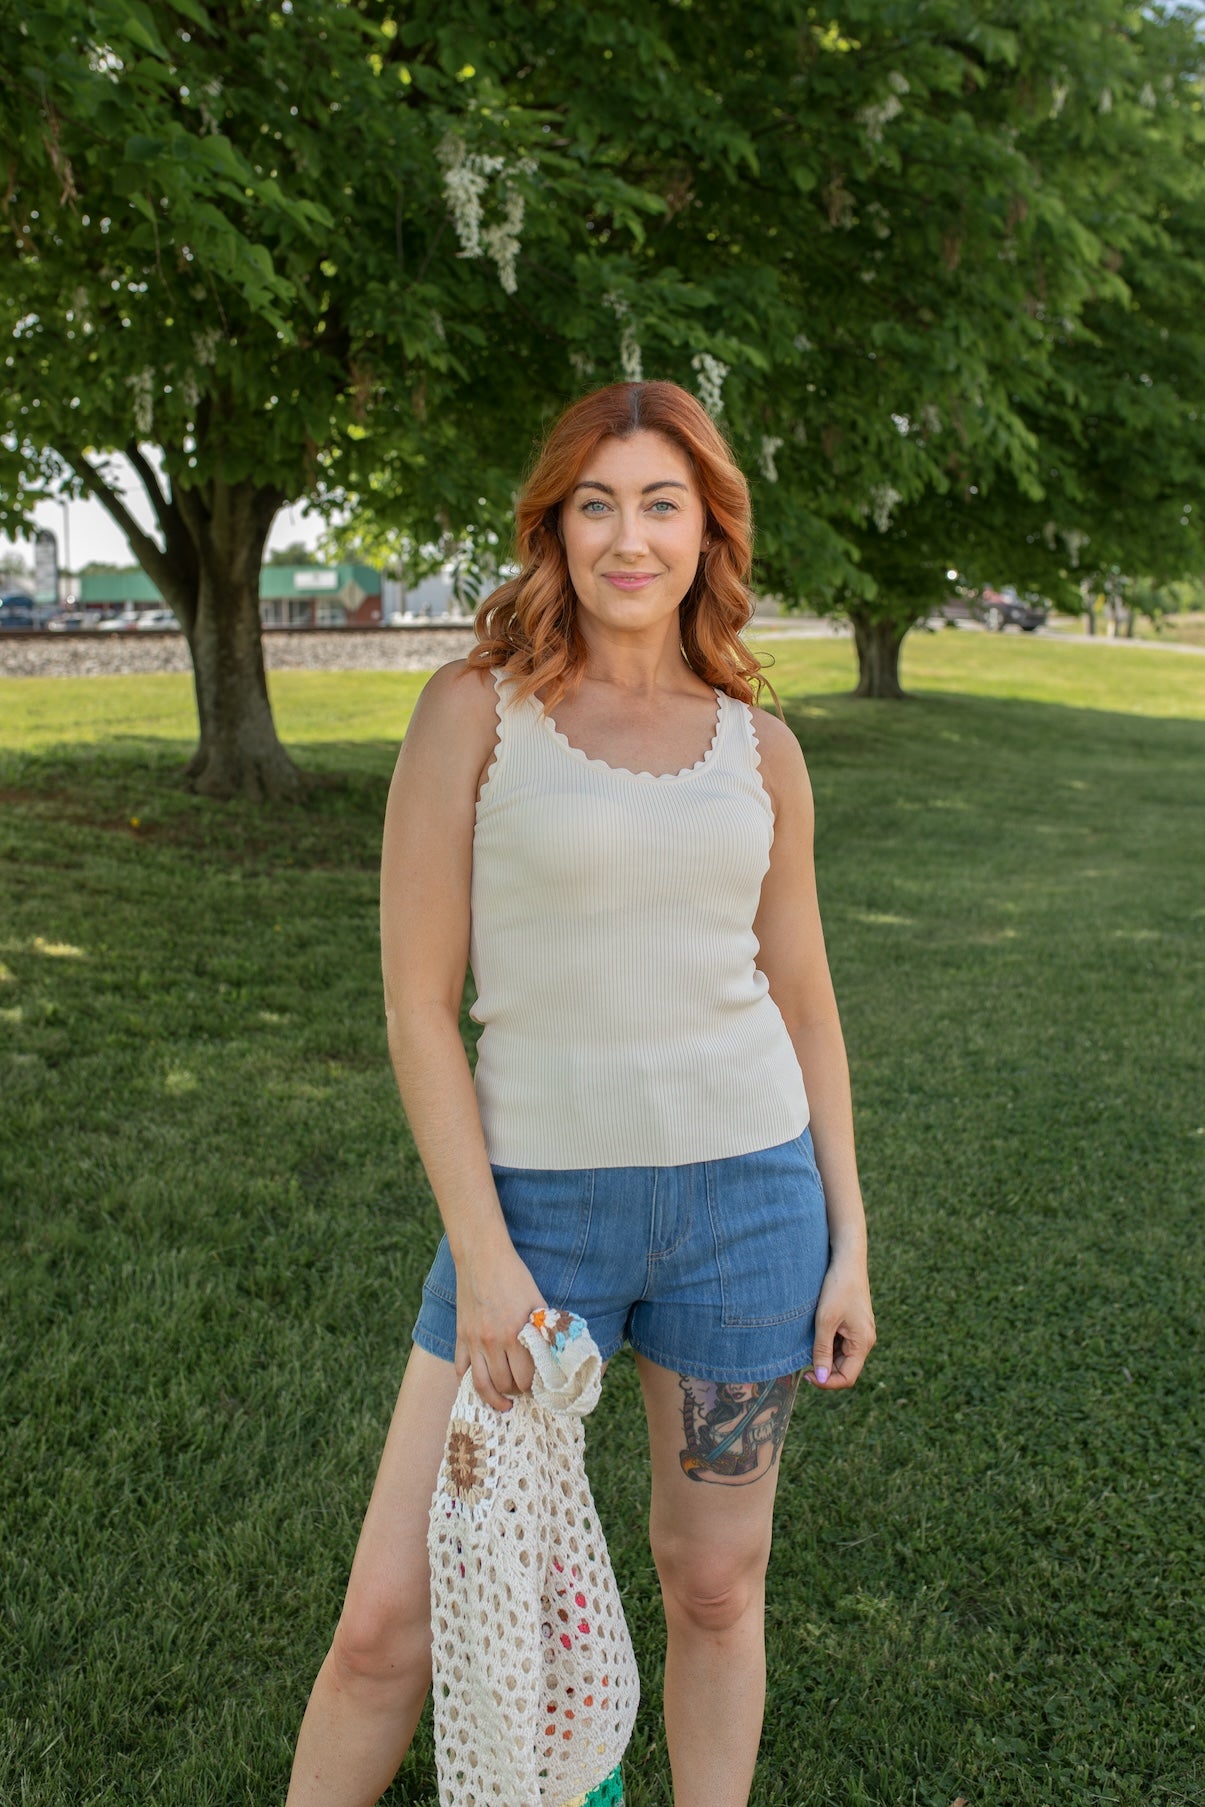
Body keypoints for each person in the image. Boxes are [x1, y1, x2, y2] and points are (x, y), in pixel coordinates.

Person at [285, 380, 876, 1807]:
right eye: (596, 503)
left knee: (716, 1588)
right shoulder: (476, 714)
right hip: (531, 1219)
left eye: (661, 503)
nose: (629, 537)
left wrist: (848, 1237)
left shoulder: (760, 746)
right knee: (386, 1626)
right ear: (553, 524)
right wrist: (484, 1264)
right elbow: (420, 1004)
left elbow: (802, 998)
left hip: (749, 1209)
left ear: (706, 530)